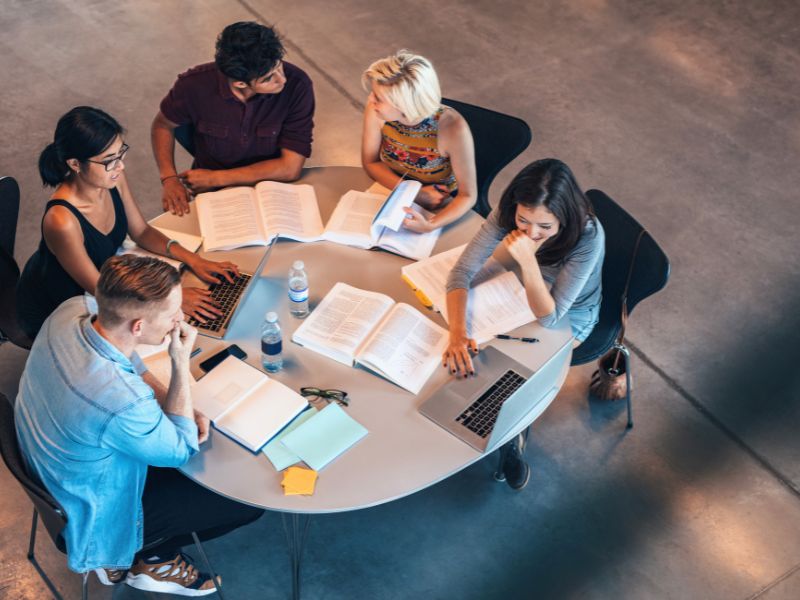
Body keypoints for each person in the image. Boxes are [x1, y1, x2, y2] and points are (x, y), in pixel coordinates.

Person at [15, 255, 263, 595]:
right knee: (245, 501)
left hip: (49, 464)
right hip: (92, 512)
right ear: (138, 327)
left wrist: (167, 402)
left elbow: (130, 360)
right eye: (173, 312)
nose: (181, 317)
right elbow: (180, 449)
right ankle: (150, 556)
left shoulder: (70, 312)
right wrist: (179, 366)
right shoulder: (121, 400)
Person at [443, 159, 605, 490]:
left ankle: (509, 438)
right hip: (517, 289)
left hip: (571, 316)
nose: (531, 233)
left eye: (545, 227)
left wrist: (529, 261)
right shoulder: (508, 212)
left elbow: (552, 316)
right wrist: (458, 334)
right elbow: (460, 273)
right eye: (523, 221)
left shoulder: (588, 236)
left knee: (511, 369)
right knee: (473, 350)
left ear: (565, 217)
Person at [16, 106, 238, 339]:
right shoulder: (61, 221)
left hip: (108, 277)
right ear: (75, 164)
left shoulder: (113, 178)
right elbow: (101, 290)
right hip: (63, 303)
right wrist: (172, 298)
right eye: (109, 160)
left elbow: (141, 231)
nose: (120, 166)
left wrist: (194, 259)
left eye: (121, 153)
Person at [152, 21, 315, 216]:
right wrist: (169, 178)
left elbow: (290, 168)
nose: (282, 79)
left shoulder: (298, 86)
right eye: (269, 78)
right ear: (239, 83)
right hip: (214, 195)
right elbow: (163, 125)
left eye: (279, 66)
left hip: (272, 188)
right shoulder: (192, 86)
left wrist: (216, 179)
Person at [361, 50, 477, 233]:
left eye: (378, 98)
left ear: (404, 105)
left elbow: (468, 195)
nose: (370, 99)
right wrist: (416, 193)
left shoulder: (452, 128)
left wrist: (430, 225)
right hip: (394, 187)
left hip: (439, 201)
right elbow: (370, 162)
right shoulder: (377, 111)